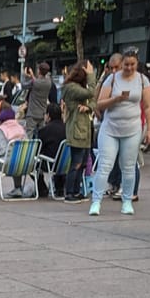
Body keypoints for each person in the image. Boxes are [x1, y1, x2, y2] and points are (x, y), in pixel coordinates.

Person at [90, 50, 150, 216]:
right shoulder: (112, 79)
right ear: (121, 64)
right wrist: (116, 99)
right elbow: (99, 104)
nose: (129, 68)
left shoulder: (142, 80)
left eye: (133, 64)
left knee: (129, 166)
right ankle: (96, 201)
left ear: (137, 64)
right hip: (110, 127)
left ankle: (127, 201)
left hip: (132, 128)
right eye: (126, 65)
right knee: (105, 165)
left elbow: (148, 106)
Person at [59, 63, 93, 202]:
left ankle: (76, 190)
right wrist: (91, 75)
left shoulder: (76, 88)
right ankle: (70, 192)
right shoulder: (72, 88)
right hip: (77, 129)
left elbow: (93, 100)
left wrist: (89, 107)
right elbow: (91, 93)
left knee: (83, 162)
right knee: (76, 163)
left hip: (84, 129)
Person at [0, 113, 27, 196]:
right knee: (17, 158)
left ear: (1, 121)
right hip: (24, 165)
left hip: (6, 166)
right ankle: (18, 187)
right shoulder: (21, 129)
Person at [35, 102, 67, 198]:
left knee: (33, 164)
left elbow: (38, 149)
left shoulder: (45, 130)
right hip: (66, 163)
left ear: (48, 115)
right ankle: (59, 188)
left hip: (51, 164)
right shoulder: (67, 128)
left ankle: (42, 188)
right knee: (58, 154)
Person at [19, 63, 52, 136]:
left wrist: (24, 75)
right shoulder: (49, 82)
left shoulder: (34, 82)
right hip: (42, 112)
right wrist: (32, 76)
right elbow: (37, 82)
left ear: (39, 71)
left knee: (29, 134)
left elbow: (23, 85)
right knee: (41, 134)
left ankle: (30, 147)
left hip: (32, 113)